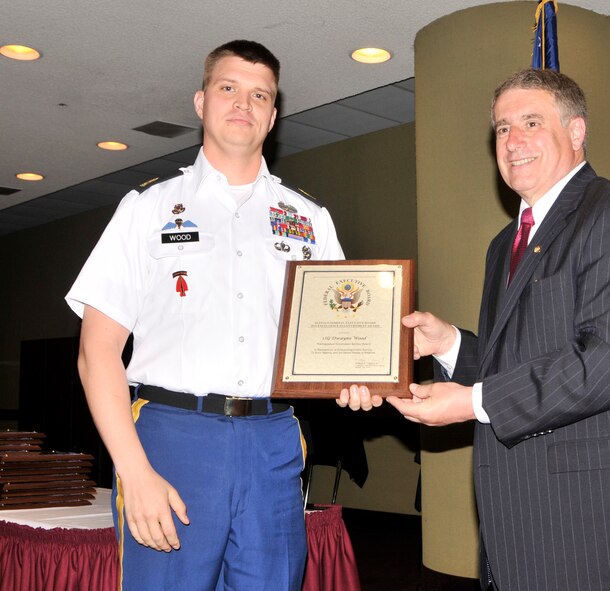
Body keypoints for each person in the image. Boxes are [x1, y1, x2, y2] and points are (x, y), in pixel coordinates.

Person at [340, 68, 610, 590]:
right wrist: (451, 343)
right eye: (502, 128)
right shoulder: (505, 243)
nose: (513, 140)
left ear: (576, 132)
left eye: (530, 122)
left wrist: (472, 403)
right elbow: (521, 361)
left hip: (597, 527)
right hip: (515, 521)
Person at [67, 40, 346, 590]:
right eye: (228, 88)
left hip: (273, 440)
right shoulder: (146, 208)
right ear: (201, 102)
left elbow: (337, 340)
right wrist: (135, 471)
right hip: (172, 441)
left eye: (259, 94)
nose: (244, 103)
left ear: (272, 115)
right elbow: (95, 351)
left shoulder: (309, 219)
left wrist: (355, 380)